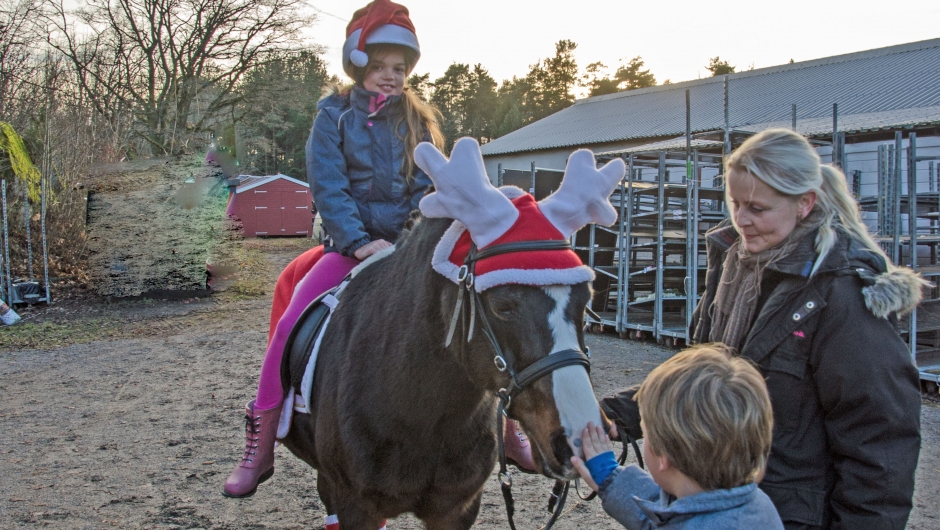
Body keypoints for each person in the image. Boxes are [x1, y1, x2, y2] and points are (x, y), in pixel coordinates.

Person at [222, 0, 535, 498]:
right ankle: (259, 443)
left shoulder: (417, 121)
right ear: (357, 61)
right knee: (288, 324)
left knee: (475, 319)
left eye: (401, 68)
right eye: (382, 65)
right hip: (350, 248)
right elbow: (329, 186)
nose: (391, 76)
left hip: (411, 250)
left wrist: (410, 242)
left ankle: (508, 428)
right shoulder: (331, 118)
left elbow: (427, 187)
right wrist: (361, 242)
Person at [602, 128, 925, 529]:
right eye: (735, 203)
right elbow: (705, 381)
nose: (741, 220)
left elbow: (881, 441)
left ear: (805, 203)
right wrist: (616, 414)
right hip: (723, 507)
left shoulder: (841, 294)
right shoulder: (735, 265)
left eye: (757, 208)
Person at [573, 344, 783, 529]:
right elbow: (668, 517)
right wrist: (610, 478)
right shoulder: (757, 505)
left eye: (646, 433)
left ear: (663, 455)